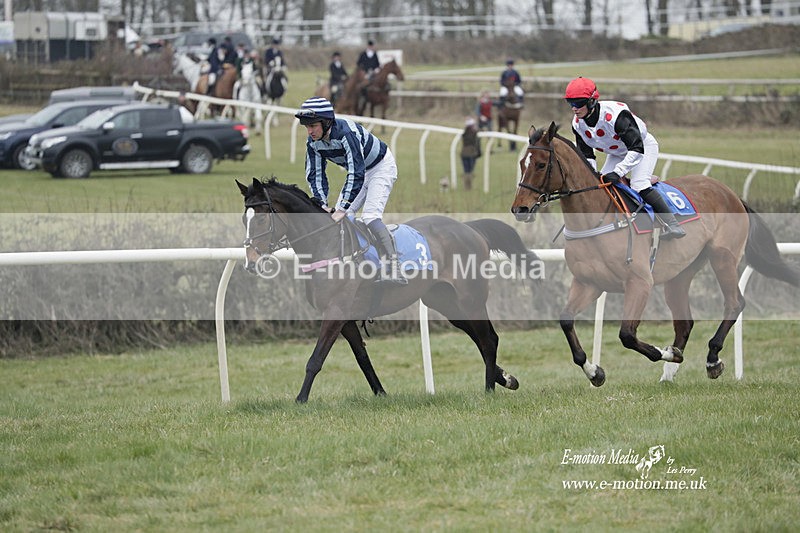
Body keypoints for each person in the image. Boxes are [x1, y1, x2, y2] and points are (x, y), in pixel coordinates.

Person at [294, 96, 407, 284]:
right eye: (307, 126)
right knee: (338, 220)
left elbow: (356, 172)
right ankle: (355, 264)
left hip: (380, 167)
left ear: (326, 121)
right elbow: (315, 174)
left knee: (370, 217)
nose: (310, 131)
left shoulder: (346, 133)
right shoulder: (312, 142)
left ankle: (394, 268)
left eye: (313, 125)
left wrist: (342, 207)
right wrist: (321, 203)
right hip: (360, 171)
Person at [565, 76, 686, 239]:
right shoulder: (578, 124)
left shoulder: (616, 116)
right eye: (571, 103)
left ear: (592, 101)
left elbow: (636, 148)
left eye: (578, 103)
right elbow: (587, 156)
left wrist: (619, 171)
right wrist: (590, 177)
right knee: (601, 185)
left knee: (639, 184)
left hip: (642, 147)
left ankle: (673, 224)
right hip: (618, 152)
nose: (574, 108)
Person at [460, 117, 481, 190]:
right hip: (471, 154)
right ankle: (469, 187)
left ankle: (466, 187)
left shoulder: (464, 133)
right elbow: (477, 143)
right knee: (470, 171)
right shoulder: (474, 133)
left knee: (466, 171)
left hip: (463, 153)